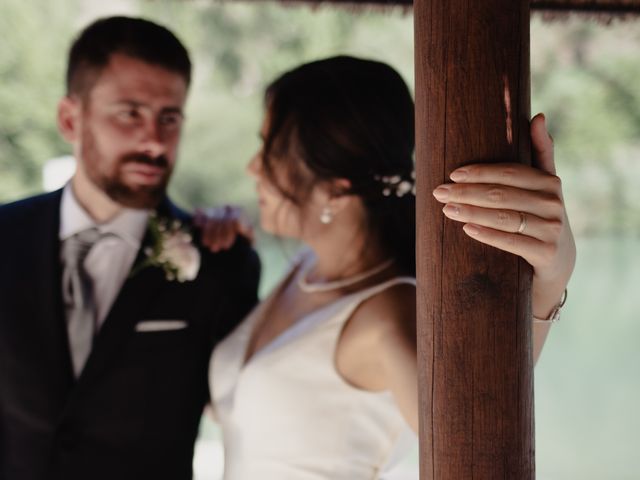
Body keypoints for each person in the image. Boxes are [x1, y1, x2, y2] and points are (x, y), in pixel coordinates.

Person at [202, 56, 576, 479]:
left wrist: (549, 284)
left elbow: (477, 442)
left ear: (337, 189)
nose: (254, 167)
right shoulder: (308, 267)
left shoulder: (385, 318)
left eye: (269, 150)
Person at [0, 16, 260, 480]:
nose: (154, 142)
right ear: (69, 120)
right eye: (129, 113)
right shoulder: (4, 236)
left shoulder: (224, 260)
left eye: (169, 118)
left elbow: (251, 406)